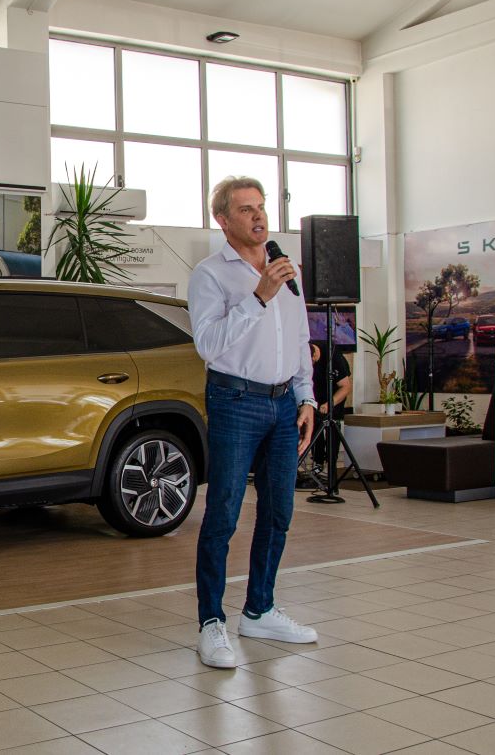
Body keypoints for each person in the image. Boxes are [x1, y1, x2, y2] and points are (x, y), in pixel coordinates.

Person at [186, 176, 318, 669]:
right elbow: (208, 345)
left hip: (284, 405)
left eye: (260, 207)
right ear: (222, 219)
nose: (258, 216)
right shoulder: (210, 275)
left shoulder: (285, 269)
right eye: (245, 209)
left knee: (279, 510)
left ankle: (259, 610)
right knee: (223, 513)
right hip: (235, 401)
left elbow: (300, 338)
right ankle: (211, 623)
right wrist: (259, 296)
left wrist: (306, 397)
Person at [310, 340, 351, 471]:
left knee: (332, 426)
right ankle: (318, 462)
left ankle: (332, 465)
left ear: (314, 356)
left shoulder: (334, 357)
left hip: (335, 393)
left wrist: (330, 404)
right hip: (315, 393)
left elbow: (345, 387)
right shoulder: (305, 349)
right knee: (314, 424)